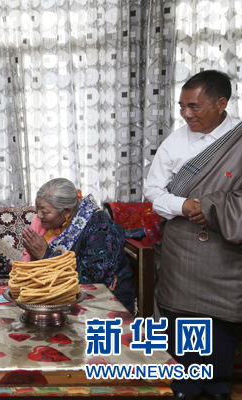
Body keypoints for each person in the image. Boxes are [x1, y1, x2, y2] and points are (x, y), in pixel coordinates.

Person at [144, 70, 242, 400]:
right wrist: (184, 206)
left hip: (225, 256)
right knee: (180, 326)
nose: (186, 114)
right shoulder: (176, 141)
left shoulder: (238, 139)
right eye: (182, 106)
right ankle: (182, 389)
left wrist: (214, 207)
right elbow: (153, 189)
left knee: (221, 330)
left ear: (221, 104)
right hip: (182, 251)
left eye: (194, 107)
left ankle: (217, 389)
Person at [21, 178, 135, 312]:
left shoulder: (100, 228)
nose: (39, 215)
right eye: (37, 208)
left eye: (45, 211)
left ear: (66, 212)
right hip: (62, 292)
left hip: (102, 298)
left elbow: (92, 281)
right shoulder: (46, 222)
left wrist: (46, 255)